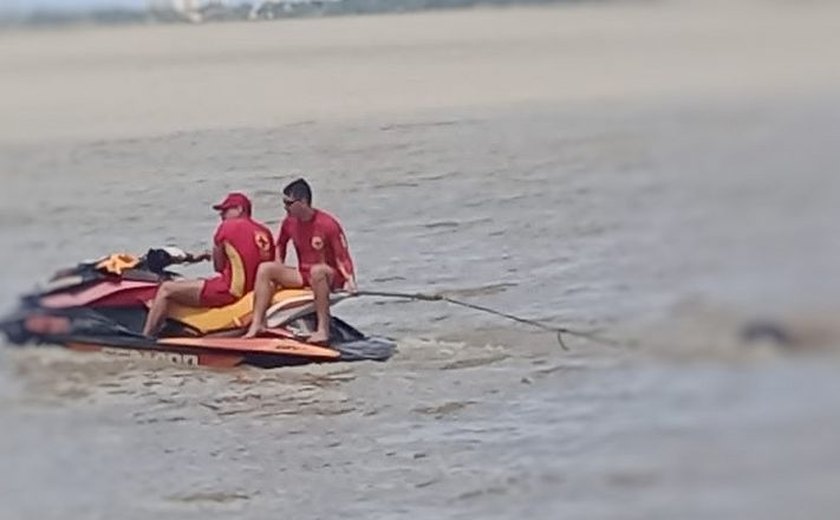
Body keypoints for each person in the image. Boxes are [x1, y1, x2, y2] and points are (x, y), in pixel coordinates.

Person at [142, 192, 275, 337]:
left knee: (166, 289)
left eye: (225, 210)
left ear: (239, 209)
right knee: (198, 282)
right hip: (254, 290)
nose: (221, 215)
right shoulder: (265, 232)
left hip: (230, 291)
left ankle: (146, 337)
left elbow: (218, 266)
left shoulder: (227, 227)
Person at [243, 178, 357, 344]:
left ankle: (322, 330)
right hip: (304, 273)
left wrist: (350, 281)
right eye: (284, 202)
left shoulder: (327, 224)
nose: (285, 207)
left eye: (289, 203)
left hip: (329, 275)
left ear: (303, 202)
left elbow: (342, 256)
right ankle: (257, 323)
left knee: (317, 270)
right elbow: (280, 245)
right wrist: (278, 265)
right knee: (265, 269)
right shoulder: (289, 223)